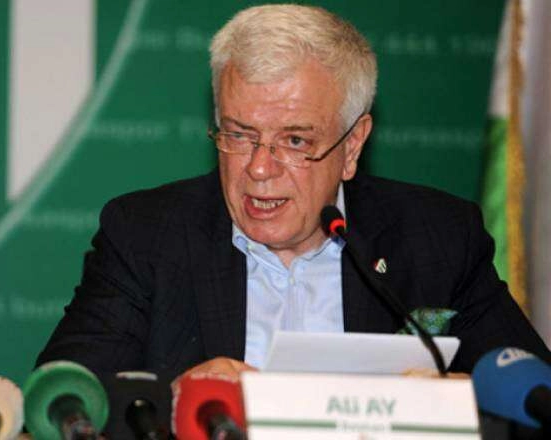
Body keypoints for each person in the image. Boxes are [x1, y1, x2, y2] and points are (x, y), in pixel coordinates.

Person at [36, 4, 550, 382]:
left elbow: (534, 394)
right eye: (239, 134)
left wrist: (458, 400)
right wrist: (175, 403)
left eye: (295, 141)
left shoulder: (437, 239)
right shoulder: (147, 236)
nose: (259, 168)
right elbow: (65, 399)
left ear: (352, 145)